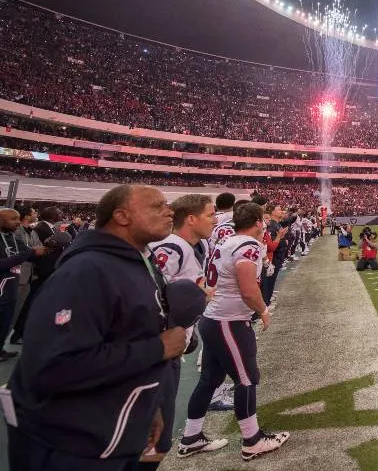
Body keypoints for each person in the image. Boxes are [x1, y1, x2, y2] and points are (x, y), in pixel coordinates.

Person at [6, 185, 188, 471]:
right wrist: (159, 347)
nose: (170, 211)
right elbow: (55, 366)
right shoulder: (86, 271)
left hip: (114, 432)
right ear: (122, 216)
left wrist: (146, 407)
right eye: (157, 205)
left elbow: (125, 334)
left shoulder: (135, 261)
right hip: (74, 446)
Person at [179, 202, 290, 462]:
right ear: (258, 221)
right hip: (228, 320)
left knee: (210, 380)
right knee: (247, 378)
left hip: (214, 318)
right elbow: (248, 288)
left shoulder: (227, 241)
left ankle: (190, 437)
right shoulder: (247, 245)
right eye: (262, 220)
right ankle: (252, 440)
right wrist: (263, 310)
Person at [146, 194, 224, 466]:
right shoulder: (172, 247)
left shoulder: (194, 245)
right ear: (191, 219)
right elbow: (152, 293)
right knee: (153, 436)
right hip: (161, 347)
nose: (215, 220)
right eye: (210, 215)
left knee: (158, 433)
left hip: (177, 339)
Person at [10, 206, 67, 345]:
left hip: (42, 272)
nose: (61, 214)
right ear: (51, 215)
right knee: (26, 304)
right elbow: (36, 251)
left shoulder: (47, 229)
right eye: (58, 212)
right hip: (39, 273)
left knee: (32, 303)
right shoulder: (41, 228)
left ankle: (22, 332)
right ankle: (18, 333)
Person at [0, 208, 50, 361]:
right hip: (1, 289)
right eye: (13, 219)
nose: (17, 221)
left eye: (17, 218)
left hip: (12, 288)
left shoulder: (13, 238)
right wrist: (29, 253)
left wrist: (49, 249)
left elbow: (32, 254)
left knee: (6, 323)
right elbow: (2, 264)